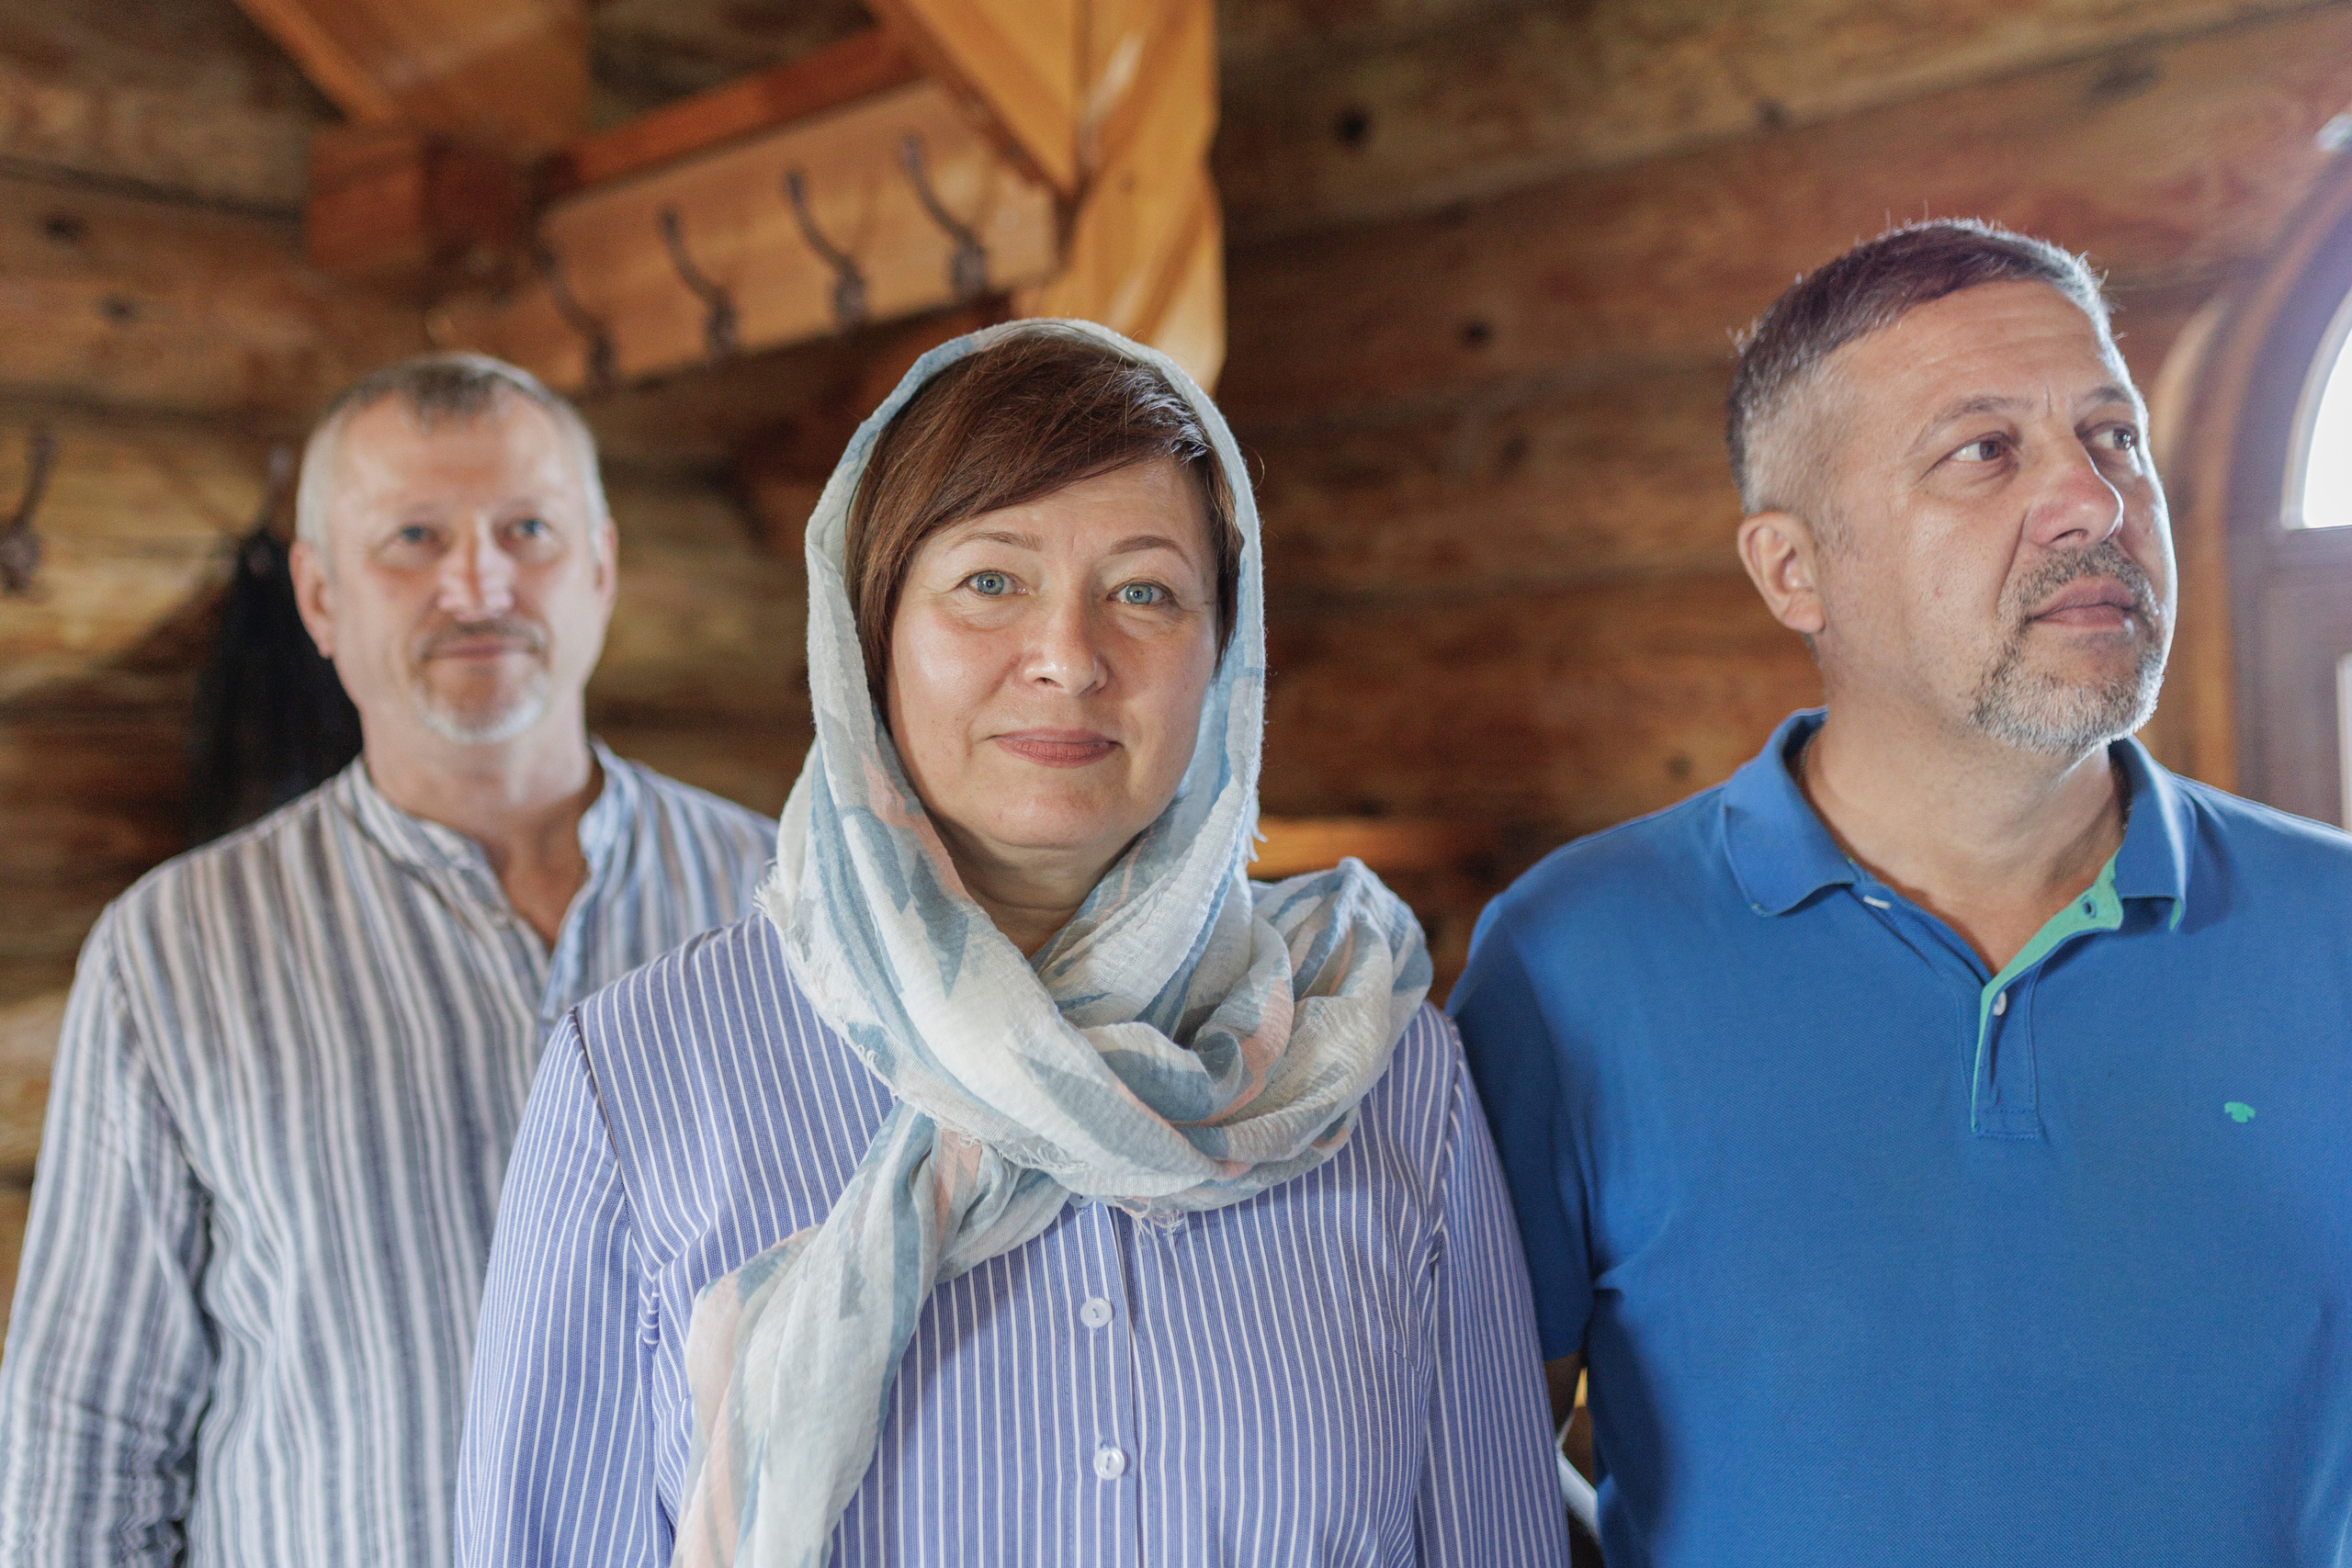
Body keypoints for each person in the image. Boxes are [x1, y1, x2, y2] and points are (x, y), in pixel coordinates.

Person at [456, 321, 1570, 1566]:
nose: (1068, 660)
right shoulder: (639, 1078)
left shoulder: (1383, 1072)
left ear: (1226, 654)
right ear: (868, 634)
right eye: (991, 581)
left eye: (1144, 591)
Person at [1451, 218, 2352, 1565]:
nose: (2095, 503)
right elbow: (1467, 1469)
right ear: (1793, 570)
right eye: (1985, 452)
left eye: (2115, 438)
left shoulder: (2335, 932)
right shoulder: (1570, 957)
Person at [0, 355, 776, 1566]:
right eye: (412, 538)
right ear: (317, 596)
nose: (479, 583)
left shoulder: (782, 907)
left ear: (603, 566)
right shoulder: (177, 951)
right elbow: (86, 1433)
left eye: (528, 529)